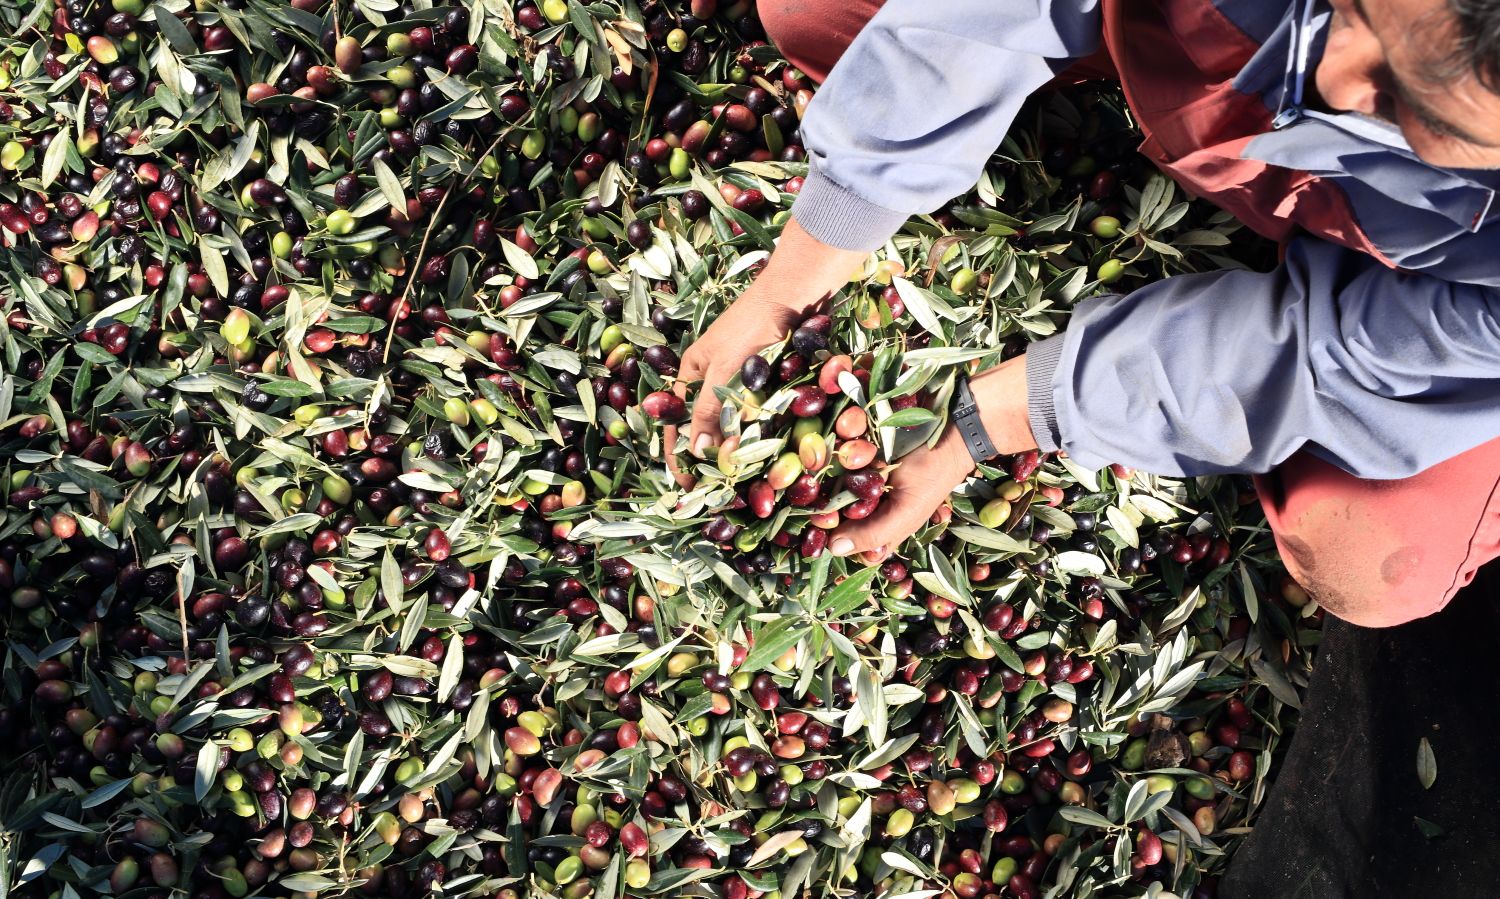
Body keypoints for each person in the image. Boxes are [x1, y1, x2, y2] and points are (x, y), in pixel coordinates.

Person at [670, 0, 1500, 630]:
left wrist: (990, 416)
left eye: (1411, 105)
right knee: (809, 10)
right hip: (1176, 55)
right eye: (1355, 9)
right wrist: (796, 276)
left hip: (1413, 300)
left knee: (1371, 556)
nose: (1337, 78)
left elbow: (1326, 355)